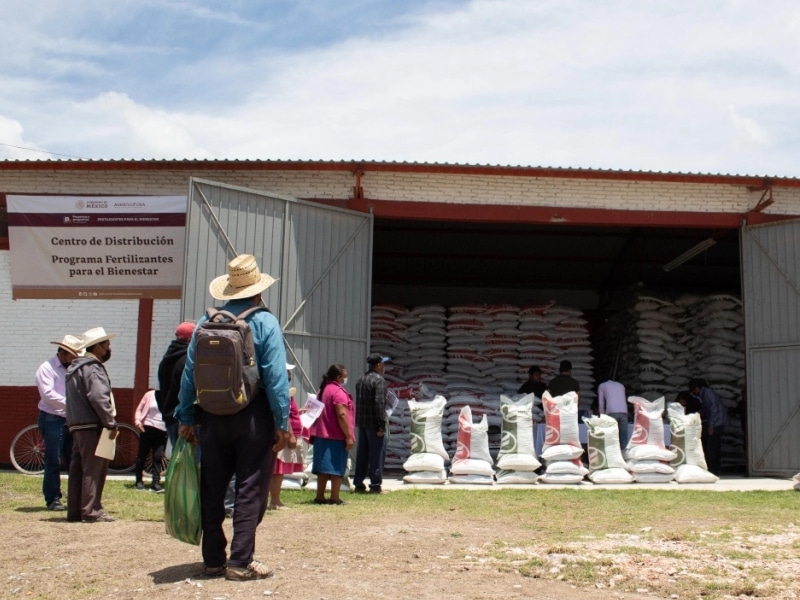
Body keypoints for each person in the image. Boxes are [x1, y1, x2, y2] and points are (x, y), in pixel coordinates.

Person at [175, 254, 290, 582]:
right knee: (250, 487)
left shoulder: (205, 321)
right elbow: (275, 378)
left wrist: (185, 416)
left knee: (212, 487)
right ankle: (240, 560)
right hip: (252, 417)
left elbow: (189, 374)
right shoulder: (265, 322)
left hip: (211, 416)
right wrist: (283, 424)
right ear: (258, 291)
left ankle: (212, 560)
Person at [65, 327, 119, 523]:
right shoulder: (93, 367)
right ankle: (91, 511)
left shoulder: (75, 367)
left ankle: (75, 511)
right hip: (92, 424)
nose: (109, 348)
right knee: (93, 469)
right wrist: (110, 422)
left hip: (77, 424)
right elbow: (98, 396)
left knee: (78, 469)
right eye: (106, 345)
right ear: (97, 347)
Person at [35, 334, 84, 511]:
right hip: (53, 418)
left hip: (72, 418)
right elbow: (47, 395)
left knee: (74, 460)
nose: (76, 359)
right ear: (63, 353)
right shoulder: (46, 368)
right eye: (73, 355)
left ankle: (76, 498)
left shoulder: (74, 368)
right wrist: (72, 404)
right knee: (53, 459)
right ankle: (53, 498)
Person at [309, 364, 355, 506]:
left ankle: (320, 496)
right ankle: (335, 497)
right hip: (335, 436)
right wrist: (349, 435)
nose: (346, 379)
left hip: (321, 435)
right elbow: (342, 414)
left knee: (322, 468)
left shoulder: (322, 390)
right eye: (344, 377)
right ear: (338, 377)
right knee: (336, 468)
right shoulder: (338, 392)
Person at [267, 363, 304, 510]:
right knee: (278, 470)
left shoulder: (284, 390)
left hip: (286, 432)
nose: (290, 375)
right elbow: (282, 413)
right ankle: (274, 500)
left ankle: (275, 500)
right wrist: (291, 434)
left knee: (279, 470)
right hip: (284, 434)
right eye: (288, 372)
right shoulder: (280, 390)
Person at [354, 353, 390, 494]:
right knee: (376, 454)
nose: (384, 367)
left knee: (362, 454)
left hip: (362, 423)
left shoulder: (361, 379)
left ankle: (358, 483)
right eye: (383, 364)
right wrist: (381, 425)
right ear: (379, 365)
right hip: (374, 424)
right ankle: (375, 485)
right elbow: (379, 403)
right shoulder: (379, 381)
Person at [157, 321, 195, 448]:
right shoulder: (188, 360)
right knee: (191, 463)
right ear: (191, 339)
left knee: (179, 462)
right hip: (185, 420)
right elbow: (189, 389)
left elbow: (158, 391)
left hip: (169, 418)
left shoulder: (165, 360)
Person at [690, 378, 728, 475]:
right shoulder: (705, 394)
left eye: (694, 390)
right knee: (714, 446)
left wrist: (711, 425)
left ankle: (713, 469)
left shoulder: (707, 393)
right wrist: (697, 413)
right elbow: (707, 408)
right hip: (718, 421)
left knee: (712, 447)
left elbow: (713, 409)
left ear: (697, 388)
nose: (695, 392)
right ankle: (716, 468)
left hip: (717, 422)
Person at [133, 389, 167, 493]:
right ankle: (138, 481)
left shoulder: (169, 395)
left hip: (162, 430)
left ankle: (155, 483)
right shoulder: (149, 394)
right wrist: (138, 421)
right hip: (147, 427)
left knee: (158, 456)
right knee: (142, 455)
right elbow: (139, 409)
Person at [597, 379, 629, 449]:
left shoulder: (602, 386)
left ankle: (612, 456)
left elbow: (601, 402)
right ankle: (625, 457)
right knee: (623, 438)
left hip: (611, 412)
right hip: (624, 411)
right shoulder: (621, 386)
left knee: (611, 437)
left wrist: (602, 416)